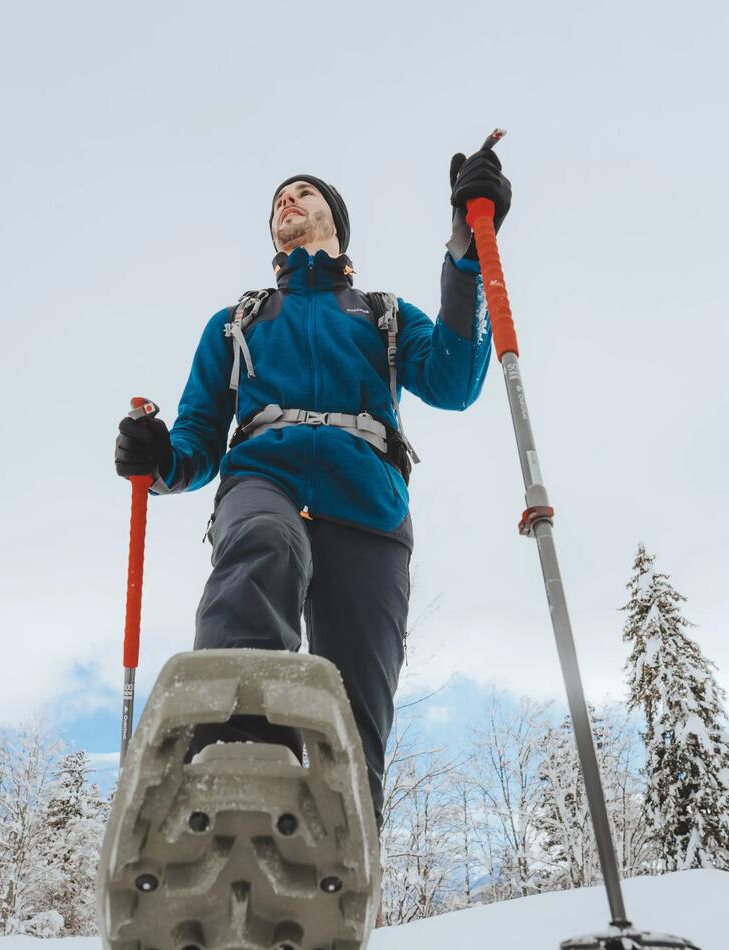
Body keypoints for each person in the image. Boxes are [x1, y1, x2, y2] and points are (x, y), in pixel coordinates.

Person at [113, 146, 512, 827]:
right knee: (267, 544)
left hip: (370, 502)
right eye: (278, 200)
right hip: (264, 474)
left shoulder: (383, 315)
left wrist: (467, 246)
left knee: (355, 712)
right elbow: (197, 443)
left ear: (335, 219)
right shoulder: (239, 321)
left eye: (303, 192)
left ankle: (338, 867)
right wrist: (157, 458)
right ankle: (229, 761)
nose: (287, 201)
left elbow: (454, 378)